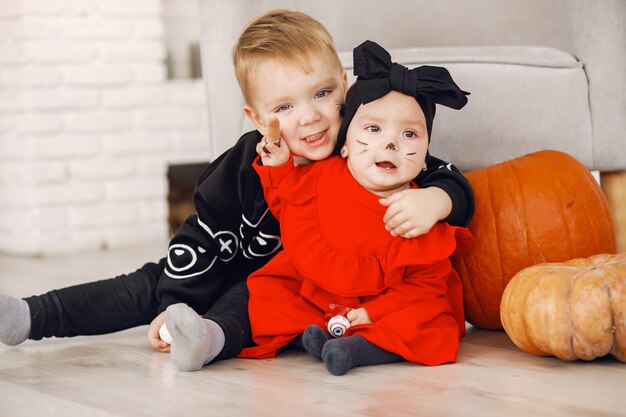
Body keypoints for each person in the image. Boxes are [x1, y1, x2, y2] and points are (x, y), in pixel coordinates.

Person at [0, 11, 473, 372]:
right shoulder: (246, 160)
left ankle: (201, 340)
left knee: (245, 297)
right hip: (211, 266)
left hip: (277, 291)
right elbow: (200, 232)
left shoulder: (364, 144)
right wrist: (173, 303)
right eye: (284, 105)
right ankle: (31, 315)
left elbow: (435, 170)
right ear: (256, 117)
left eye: (322, 94)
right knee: (141, 287)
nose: (309, 116)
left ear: (345, 87)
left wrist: (439, 199)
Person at [238, 40, 473, 376]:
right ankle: (313, 337)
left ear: (425, 161)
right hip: (323, 294)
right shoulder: (321, 177)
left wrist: (376, 312)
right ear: (345, 147)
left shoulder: (416, 208)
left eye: (409, 134)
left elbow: (424, 283)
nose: (390, 144)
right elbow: (288, 203)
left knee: (430, 321)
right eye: (374, 129)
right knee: (272, 292)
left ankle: (357, 349)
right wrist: (279, 166)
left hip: (390, 304)